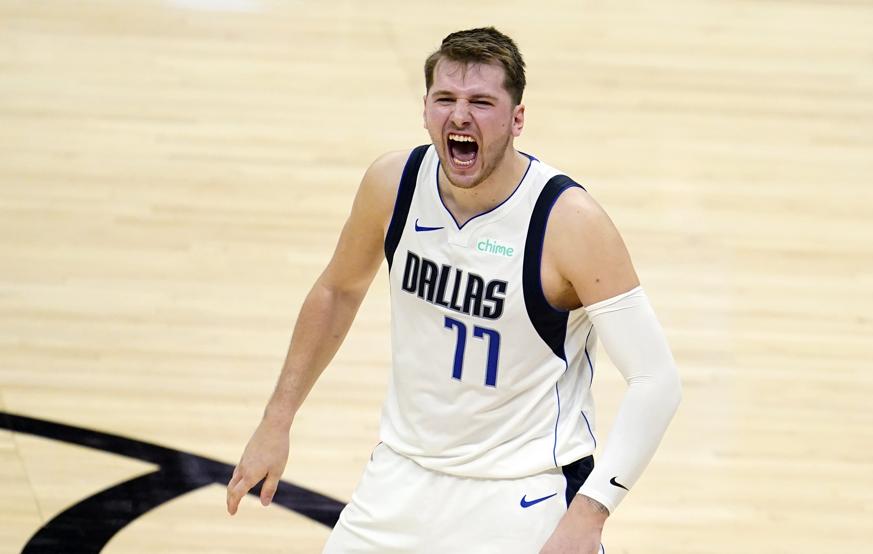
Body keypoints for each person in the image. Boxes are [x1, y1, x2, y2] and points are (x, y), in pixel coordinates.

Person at [226, 27, 681, 554]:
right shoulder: (393, 184)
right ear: (425, 110)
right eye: (446, 99)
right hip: (399, 477)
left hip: (523, 493)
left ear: (517, 119)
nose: (460, 116)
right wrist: (275, 421)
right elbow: (338, 290)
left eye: (481, 102)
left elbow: (656, 379)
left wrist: (591, 513)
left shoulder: (568, 222)